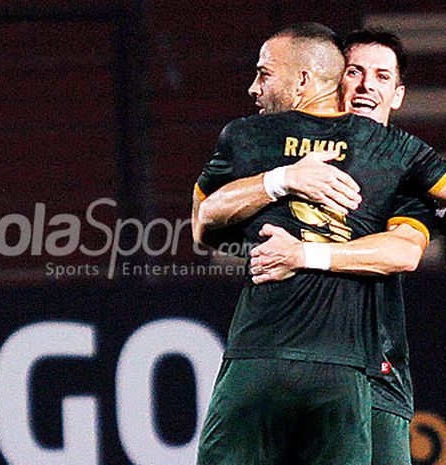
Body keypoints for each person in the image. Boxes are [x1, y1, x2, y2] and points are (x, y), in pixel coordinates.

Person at [191, 23, 446, 465]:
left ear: (399, 96)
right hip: (303, 356)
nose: (366, 86)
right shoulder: (264, 141)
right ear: (331, 77)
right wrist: (282, 179)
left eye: (382, 77)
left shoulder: (403, 167)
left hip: (378, 371)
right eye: (354, 72)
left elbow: (403, 252)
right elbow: (203, 220)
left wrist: (302, 254)